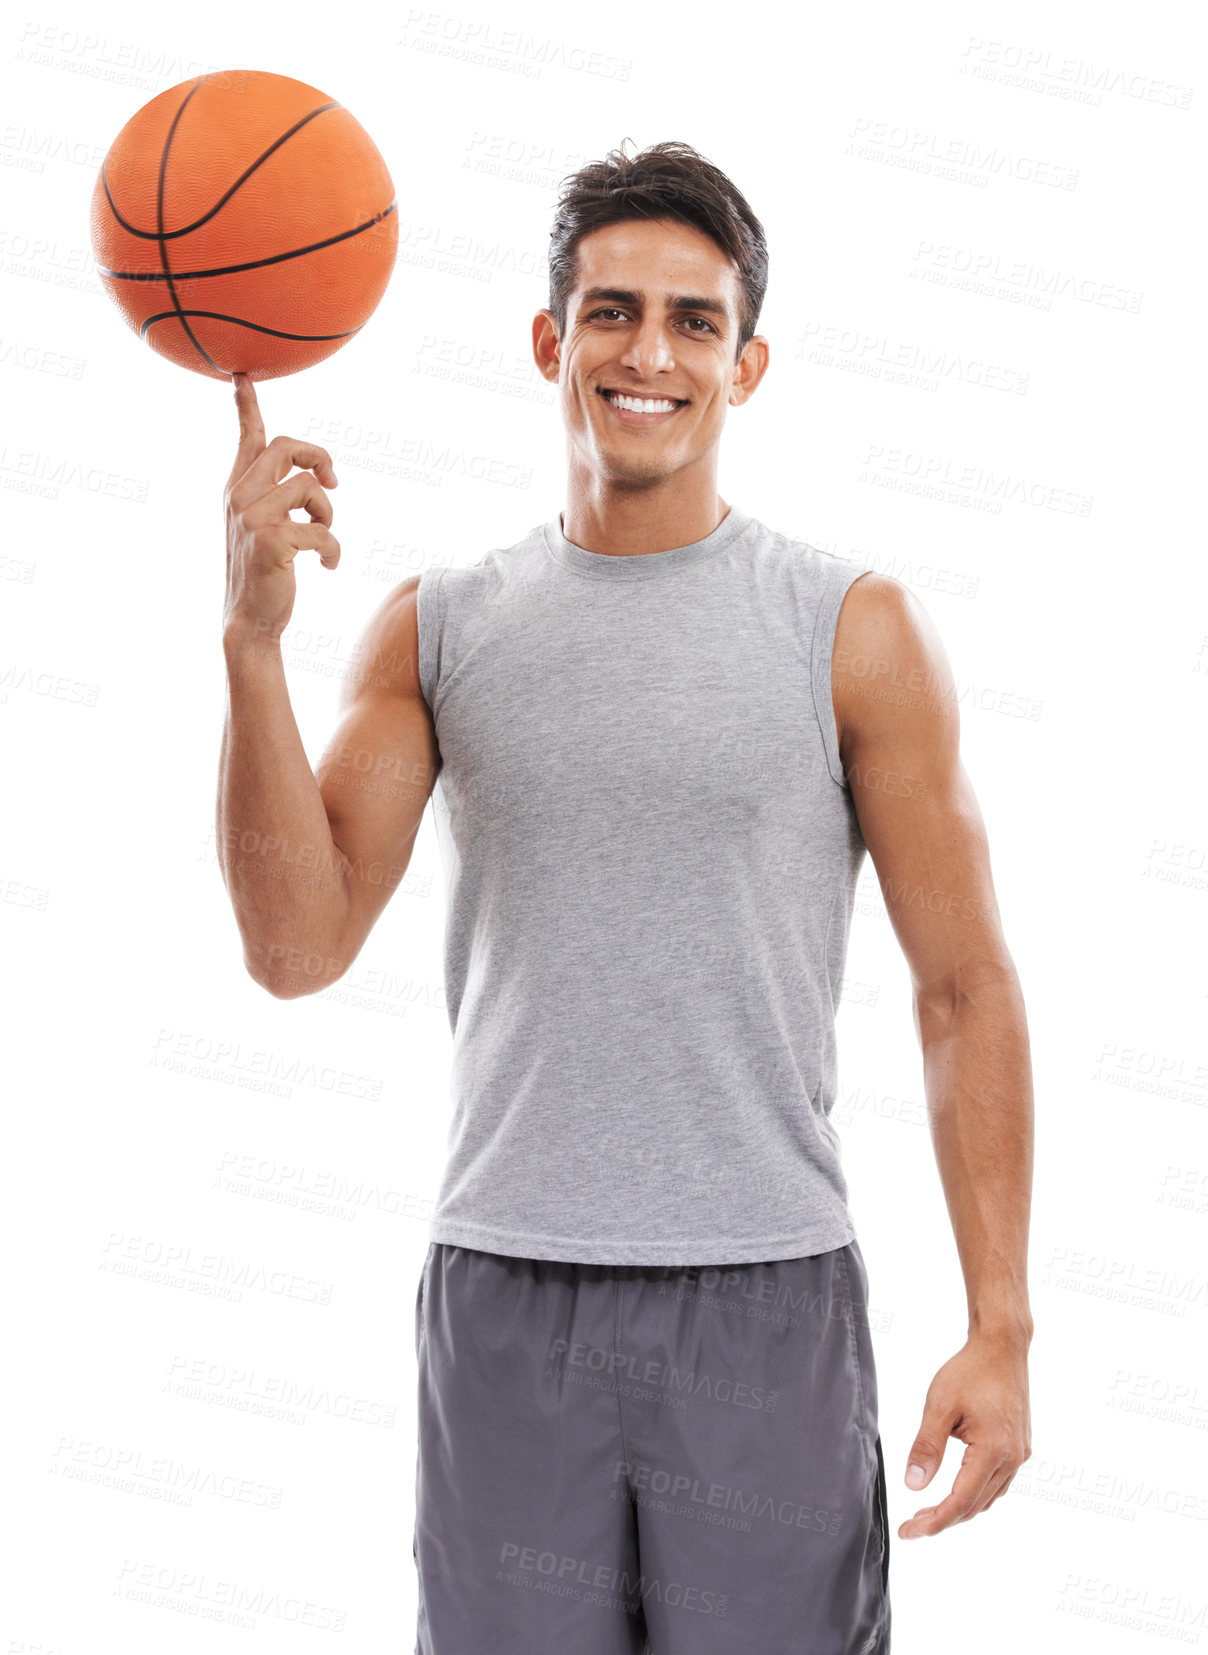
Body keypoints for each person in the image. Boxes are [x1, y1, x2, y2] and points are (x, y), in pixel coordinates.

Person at [218, 138, 1033, 1654]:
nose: (647, 352)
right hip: (508, 1296)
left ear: (748, 361)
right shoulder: (436, 627)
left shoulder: (854, 632)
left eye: (692, 319)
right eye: (608, 313)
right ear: (549, 341)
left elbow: (964, 987)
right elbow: (293, 944)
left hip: (765, 1300)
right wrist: (252, 643)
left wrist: (1002, 1323)